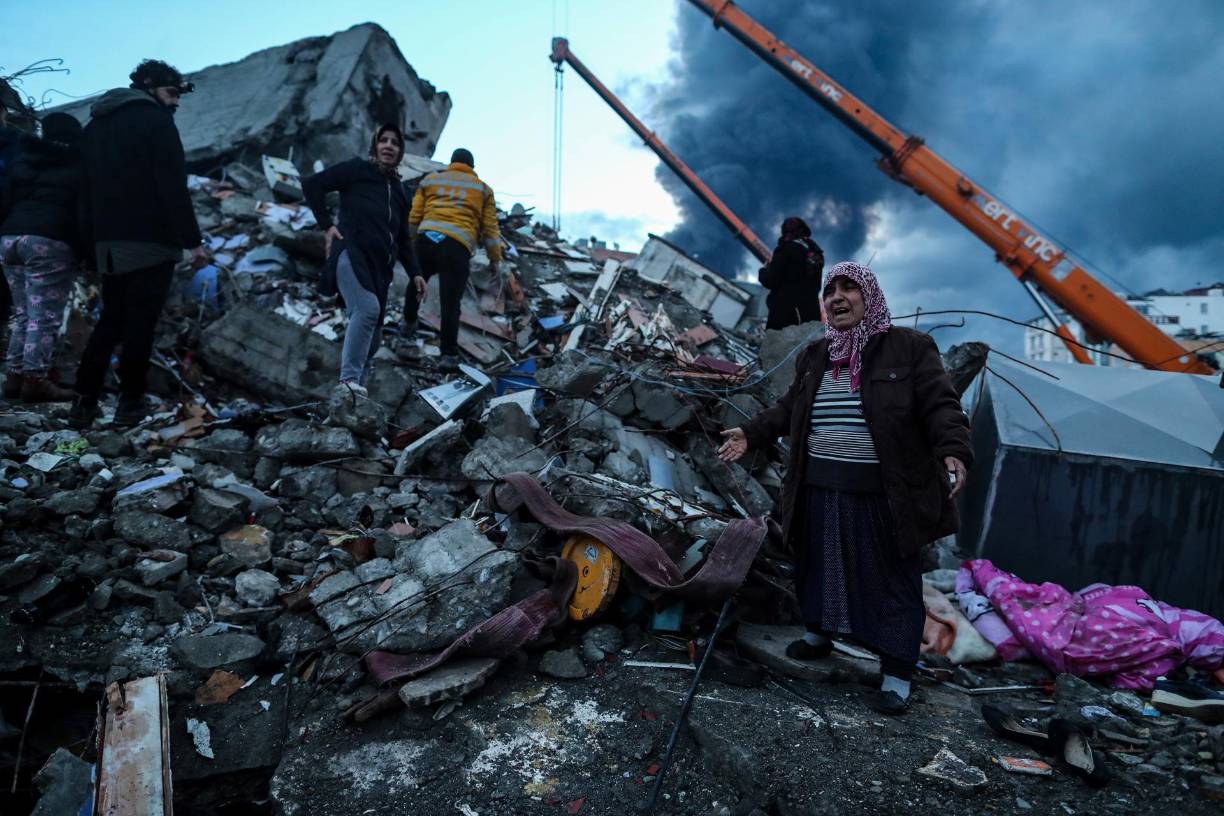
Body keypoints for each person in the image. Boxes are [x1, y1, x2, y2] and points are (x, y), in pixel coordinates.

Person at [718, 261, 972, 715]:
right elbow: (788, 408)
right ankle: (819, 633)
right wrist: (750, 434)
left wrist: (954, 449)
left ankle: (896, 672)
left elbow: (941, 404)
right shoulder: (815, 355)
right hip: (817, 486)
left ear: (869, 296)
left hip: (882, 494)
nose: (837, 297)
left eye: (848, 288)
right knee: (817, 566)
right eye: (830, 290)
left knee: (890, 581)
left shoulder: (909, 348)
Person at [69, 59, 204, 429]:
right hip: (151, 240)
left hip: (108, 244)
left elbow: (83, 190)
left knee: (111, 320)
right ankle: (130, 404)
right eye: (171, 93)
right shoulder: (156, 122)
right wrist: (193, 241)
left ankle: (83, 403)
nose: (176, 102)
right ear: (148, 85)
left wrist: (88, 246)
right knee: (141, 323)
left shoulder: (95, 126)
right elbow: (172, 185)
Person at [302, 123, 424, 393]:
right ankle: (348, 385)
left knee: (374, 338)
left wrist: (415, 272)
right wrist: (327, 225)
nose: (389, 145)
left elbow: (403, 238)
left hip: (380, 270)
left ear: (400, 152)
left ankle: (358, 400)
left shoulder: (402, 192)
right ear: (374, 146)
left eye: (395, 142)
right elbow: (313, 185)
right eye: (384, 140)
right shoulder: (357, 170)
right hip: (351, 254)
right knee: (367, 310)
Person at [0, 113, 84, 402]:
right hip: (48, 239)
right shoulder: (77, 162)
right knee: (44, 317)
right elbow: (84, 210)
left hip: (10, 238)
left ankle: (14, 377)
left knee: (24, 313)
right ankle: (35, 379)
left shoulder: (25, 157)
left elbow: (6, 196)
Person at [402, 147, 502, 371]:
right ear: (472, 167)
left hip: (426, 241)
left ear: (451, 162)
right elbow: (490, 229)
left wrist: (409, 244)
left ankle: (406, 331)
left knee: (415, 286)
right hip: (456, 247)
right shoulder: (483, 189)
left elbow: (414, 216)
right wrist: (495, 259)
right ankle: (447, 355)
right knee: (450, 303)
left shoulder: (431, 180)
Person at [758, 216, 825, 330]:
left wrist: (763, 271)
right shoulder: (816, 254)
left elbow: (771, 280)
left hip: (784, 317)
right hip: (809, 318)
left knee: (777, 342)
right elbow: (816, 287)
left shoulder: (786, 249)